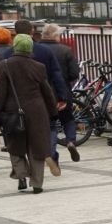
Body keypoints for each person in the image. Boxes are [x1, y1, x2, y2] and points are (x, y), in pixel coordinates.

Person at [0, 35, 56, 193]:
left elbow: (1, 93)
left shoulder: (4, 65)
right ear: (30, 48)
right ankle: (37, 184)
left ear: (15, 46)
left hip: (12, 111)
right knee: (36, 146)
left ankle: (20, 174)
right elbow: (46, 91)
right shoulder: (38, 66)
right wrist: (53, 111)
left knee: (14, 144)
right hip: (37, 111)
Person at [41, 23, 81, 162]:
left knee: (50, 124)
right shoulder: (65, 50)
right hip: (63, 91)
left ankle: (51, 153)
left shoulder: (36, 50)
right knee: (68, 119)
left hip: (42, 93)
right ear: (56, 35)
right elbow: (74, 73)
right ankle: (70, 141)